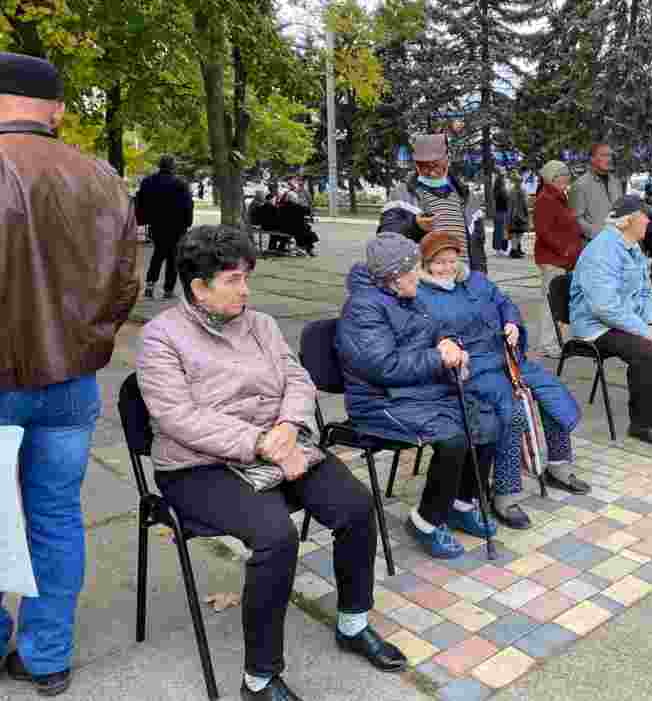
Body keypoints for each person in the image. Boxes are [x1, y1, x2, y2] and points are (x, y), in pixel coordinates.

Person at [137, 226, 408, 701]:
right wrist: (262, 442)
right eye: (233, 280)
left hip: (279, 442)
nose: (246, 290)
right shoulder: (161, 337)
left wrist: (288, 425)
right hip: (198, 465)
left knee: (356, 507)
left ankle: (352, 623)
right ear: (199, 287)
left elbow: (297, 379)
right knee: (275, 537)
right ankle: (259, 679)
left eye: (247, 277)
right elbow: (178, 418)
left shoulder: (259, 324)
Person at [0, 52, 139, 696]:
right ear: (55, 110)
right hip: (70, 382)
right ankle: (47, 654)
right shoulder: (102, 176)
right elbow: (124, 284)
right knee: (55, 516)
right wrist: (87, 342)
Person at [336, 232, 500, 559]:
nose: (418, 273)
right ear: (394, 276)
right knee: (453, 437)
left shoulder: (408, 295)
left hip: (416, 391)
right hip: (379, 400)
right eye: (413, 269)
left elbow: (436, 330)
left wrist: (449, 343)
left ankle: (460, 504)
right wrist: (438, 357)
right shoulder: (363, 308)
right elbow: (384, 366)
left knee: (485, 421)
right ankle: (426, 521)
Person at [416, 231, 590, 528]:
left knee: (551, 391)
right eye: (439, 262)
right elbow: (430, 339)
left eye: (451, 260)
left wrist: (511, 322)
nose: (447, 267)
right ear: (426, 264)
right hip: (473, 369)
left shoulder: (476, 280)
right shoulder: (422, 295)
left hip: (506, 358)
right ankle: (505, 494)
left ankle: (558, 464)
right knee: (512, 412)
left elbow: (504, 302)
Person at [570, 195, 652, 447]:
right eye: (644, 216)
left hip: (624, 321)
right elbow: (604, 308)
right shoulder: (602, 251)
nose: (648, 220)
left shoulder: (632, 246)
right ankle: (642, 424)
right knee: (645, 351)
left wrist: (651, 325)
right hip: (596, 326)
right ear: (626, 221)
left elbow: (646, 292)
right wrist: (644, 331)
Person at [379, 134, 488, 273]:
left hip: (464, 280)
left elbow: (478, 249)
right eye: (423, 166)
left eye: (436, 165)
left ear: (447, 159)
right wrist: (415, 226)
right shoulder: (401, 195)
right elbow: (385, 241)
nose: (431, 172)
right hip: (424, 281)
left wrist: (480, 278)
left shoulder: (467, 198)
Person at [533, 160, 585, 357]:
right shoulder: (546, 199)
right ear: (553, 178)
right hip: (553, 259)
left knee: (557, 301)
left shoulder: (559, 197)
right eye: (563, 175)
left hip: (562, 259)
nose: (567, 178)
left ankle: (554, 341)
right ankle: (547, 344)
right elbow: (544, 232)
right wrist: (564, 250)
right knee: (550, 303)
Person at [136, 154, 194, 299]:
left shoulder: (148, 182)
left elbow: (140, 202)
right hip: (177, 226)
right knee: (173, 257)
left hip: (157, 224)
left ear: (160, 165)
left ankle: (150, 285)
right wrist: (188, 222)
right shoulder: (180, 183)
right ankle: (168, 289)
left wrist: (143, 219)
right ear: (172, 166)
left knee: (158, 254)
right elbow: (188, 205)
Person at [569, 142, 624, 245]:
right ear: (592, 159)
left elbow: (621, 211)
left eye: (610, 155)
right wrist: (597, 234)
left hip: (617, 242)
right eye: (604, 155)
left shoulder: (616, 182)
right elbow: (575, 219)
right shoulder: (580, 185)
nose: (609, 159)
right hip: (594, 245)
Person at [277, 176, 318, 256]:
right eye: (296, 199)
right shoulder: (295, 207)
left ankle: (306, 248)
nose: (297, 200)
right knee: (305, 230)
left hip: (286, 226)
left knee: (304, 229)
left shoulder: (284, 206)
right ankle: (307, 249)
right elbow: (306, 211)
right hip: (289, 227)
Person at [507, 174, 530, 259]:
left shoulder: (511, 191)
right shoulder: (522, 191)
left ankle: (515, 249)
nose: (519, 183)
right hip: (520, 215)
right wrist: (527, 214)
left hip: (513, 215)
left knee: (515, 233)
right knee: (518, 233)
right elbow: (525, 204)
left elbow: (509, 204)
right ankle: (514, 250)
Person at [493, 171, 509, 255]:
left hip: (497, 212)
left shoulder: (496, 191)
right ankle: (502, 249)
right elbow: (507, 201)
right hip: (503, 212)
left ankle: (498, 249)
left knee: (498, 231)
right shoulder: (503, 191)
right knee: (503, 232)